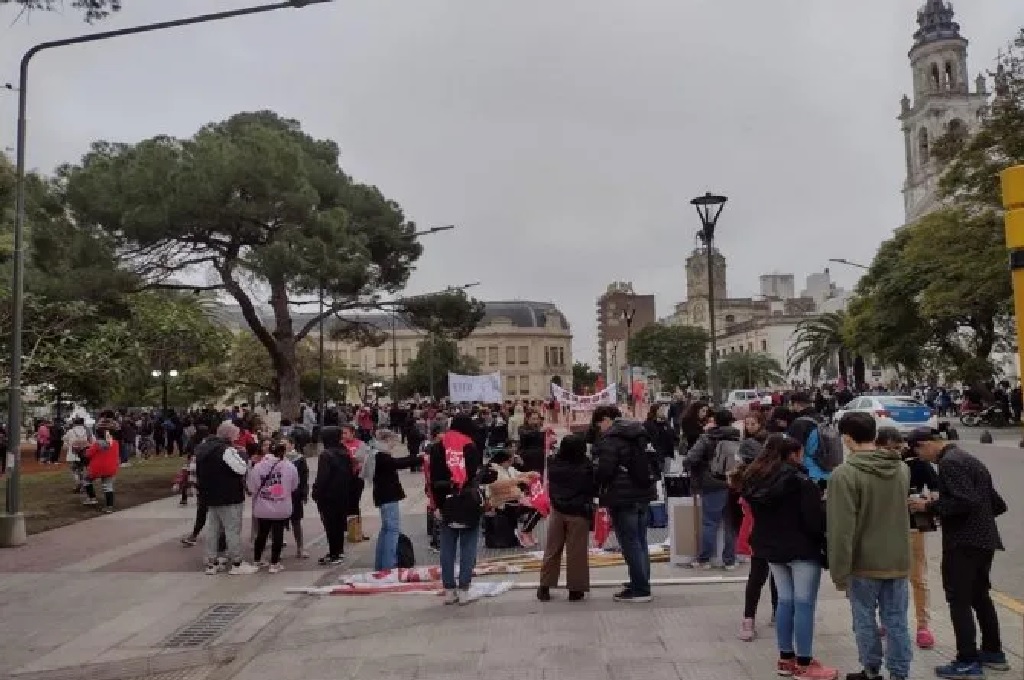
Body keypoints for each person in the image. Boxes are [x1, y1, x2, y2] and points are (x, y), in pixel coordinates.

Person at [906, 429, 1009, 679]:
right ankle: (993, 651)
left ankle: (967, 659)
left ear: (926, 444)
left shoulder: (949, 463)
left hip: (963, 542)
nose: (921, 458)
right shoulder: (969, 459)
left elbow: (966, 501)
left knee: (958, 599)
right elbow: (996, 503)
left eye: (918, 451)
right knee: (980, 596)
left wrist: (929, 505)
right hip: (984, 539)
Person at [738, 435, 836, 680]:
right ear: (792, 454)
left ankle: (785, 658)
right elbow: (813, 521)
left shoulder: (753, 479)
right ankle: (804, 662)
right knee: (804, 603)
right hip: (801, 548)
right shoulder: (801, 482)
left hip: (770, 547)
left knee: (785, 600)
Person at [828, 413, 912, 680]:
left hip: (863, 562)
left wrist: (839, 571)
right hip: (898, 558)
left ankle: (871, 669)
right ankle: (900, 673)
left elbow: (842, 529)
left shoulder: (845, 474)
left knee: (864, 619)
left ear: (848, 438)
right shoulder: (902, 468)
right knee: (897, 620)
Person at [877, 427, 938, 650]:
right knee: (886, 578)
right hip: (882, 529)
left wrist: (925, 499)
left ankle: (923, 625)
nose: (894, 453)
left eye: (897, 448)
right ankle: (886, 620)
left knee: (917, 576)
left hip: (912, 527)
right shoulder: (873, 467)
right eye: (888, 449)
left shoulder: (916, 464)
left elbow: (936, 488)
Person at [593, 405, 656, 603]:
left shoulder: (611, 440)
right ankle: (641, 581)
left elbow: (605, 471)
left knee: (630, 543)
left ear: (606, 419)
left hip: (622, 497)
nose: (599, 428)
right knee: (641, 541)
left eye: (598, 424)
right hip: (644, 493)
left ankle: (640, 590)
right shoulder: (640, 434)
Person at [428, 415, 485, 605]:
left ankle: (449, 589)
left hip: (446, 502)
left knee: (447, 547)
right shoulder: (470, 446)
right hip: (467, 501)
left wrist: (436, 505)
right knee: (468, 546)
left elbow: (433, 480)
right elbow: (473, 476)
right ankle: (464, 589)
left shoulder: (437, 447)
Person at [195, 421, 258, 575]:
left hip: (209, 495)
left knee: (213, 530)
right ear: (229, 435)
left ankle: (212, 562)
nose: (237, 438)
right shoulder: (226, 450)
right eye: (236, 435)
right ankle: (237, 562)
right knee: (232, 530)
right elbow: (241, 468)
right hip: (229, 496)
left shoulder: (202, 448)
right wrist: (242, 454)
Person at [684, 408, 742, 570]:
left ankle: (704, 559)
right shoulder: (738, 437)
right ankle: (729, 560)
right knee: (730, 524)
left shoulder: (707, 438)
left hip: (712, 483)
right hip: (733, 483)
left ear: (715, 421)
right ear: (731, 421)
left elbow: (690, 458)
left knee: (710, 523)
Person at [247, 442, 299, 573]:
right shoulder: (290, 466)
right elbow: (294, 485)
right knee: (278, 534)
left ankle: (257, 560)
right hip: (281, 506)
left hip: (263, 506)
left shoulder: (258, 466)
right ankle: (274, 563)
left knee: (262, 534)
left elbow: (252, 487)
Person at [369, 429, 416, 570]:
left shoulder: (375, 453)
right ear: (386, 440)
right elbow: (398, 463)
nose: (393, 446)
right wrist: (419, 458)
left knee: (386, 530)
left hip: (383, 496)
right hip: (388, 496)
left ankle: (380, 564)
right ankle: (389, 565)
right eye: (392, 442)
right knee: (392, 531)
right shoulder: (381, 456)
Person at [312, 426, 354, 566]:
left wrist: (316, 492)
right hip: (342, 494)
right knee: (339, 523)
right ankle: (339, 551)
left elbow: (322, 477)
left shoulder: (326, 455)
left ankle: (333, 553)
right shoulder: (344, 452)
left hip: (328, 496)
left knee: (330, 525)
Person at [82, 419, 120, 513]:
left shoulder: (97, 443)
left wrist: (84, 449)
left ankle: (92, 498)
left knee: (86, 480)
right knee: (108, 486)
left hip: (97, 468)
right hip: (111, 468)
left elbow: (88, 454)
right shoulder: (115, 443)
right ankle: (109, 506)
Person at [283, 434, 310, 559]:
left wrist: (304, 493)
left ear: (292, 445)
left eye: (285, 443)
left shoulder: (299, 459)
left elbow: (304, 477)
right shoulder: (277, 458)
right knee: (278, 522)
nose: (283, 445)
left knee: (296, 521)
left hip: (295, 494)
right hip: (280, 494)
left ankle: (300, 547)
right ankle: (277, 547)